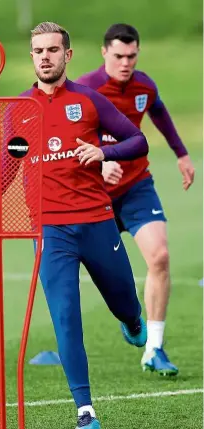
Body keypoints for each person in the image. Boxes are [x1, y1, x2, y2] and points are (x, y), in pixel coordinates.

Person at [0, 21, 149, 429]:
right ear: (32, 56)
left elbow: (137, 142)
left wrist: (103, 150)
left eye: (53, 50)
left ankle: (131, 320)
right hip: (49, 229)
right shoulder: (19, 107)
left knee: (124, 300)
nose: (45, 57)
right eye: (38, 50)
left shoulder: (88, 101)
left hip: (95, 220)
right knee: (65, 317)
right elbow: (11, 157)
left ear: (67, 55)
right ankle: (85, 410)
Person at [76, 24, 195, 376]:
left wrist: (181, 153)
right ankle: (130, 318)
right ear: (104, 53)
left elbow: (159, 113)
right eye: (118, 56)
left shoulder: (144, 86)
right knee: (104, 274)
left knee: (160, 256)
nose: (125, 63)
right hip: (95, 193)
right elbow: (71, 139)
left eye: (131, 56)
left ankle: (154, 348)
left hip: (137, 187)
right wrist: (101, 164)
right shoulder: (86, 88)